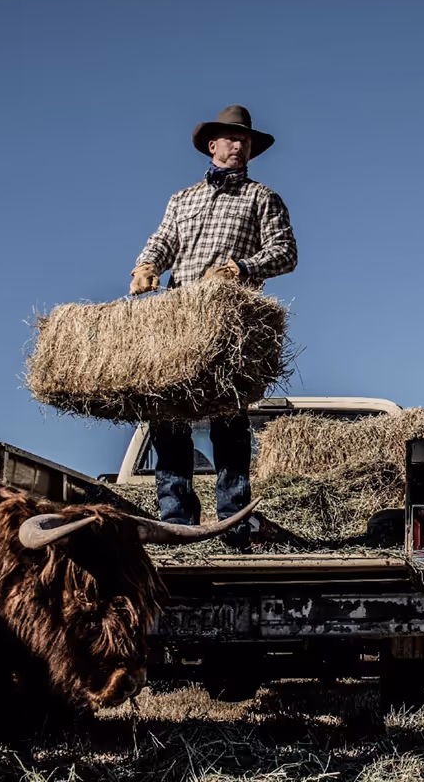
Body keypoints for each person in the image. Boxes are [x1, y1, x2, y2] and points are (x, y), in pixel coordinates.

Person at [130, 105, 297, 547]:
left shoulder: (263, 198)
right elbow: (163, 241)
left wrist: (240, 267)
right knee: (168, 416)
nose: (239, 146)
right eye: (231, 139)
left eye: (245, 141)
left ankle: (233, 523)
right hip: (180, 318)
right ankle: (178, 520)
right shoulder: (182, 199)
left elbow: (286, 252)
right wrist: (146, 266)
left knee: (228, 418)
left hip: (230, 321)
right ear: (213, 146)